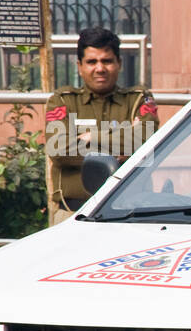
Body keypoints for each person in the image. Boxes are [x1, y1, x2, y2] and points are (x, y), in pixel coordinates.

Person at [44, 28, 158, 220]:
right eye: (91, 62)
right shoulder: (63, 101)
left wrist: (90, 138)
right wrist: (122, 145)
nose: (100, 68)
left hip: (130, 215)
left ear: (119, 63)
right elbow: (59, 150)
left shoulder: (139, 99)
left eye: (107, 61)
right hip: (72, 214)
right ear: (79, 66)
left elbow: (146, 141)